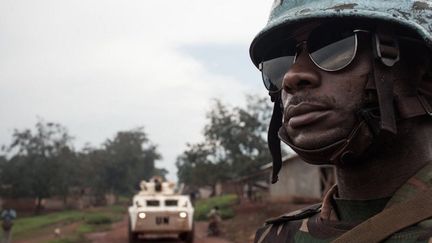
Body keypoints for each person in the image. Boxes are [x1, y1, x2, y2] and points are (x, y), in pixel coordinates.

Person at [249, 1, 432, 242]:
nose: (292, 77)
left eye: (334, 47)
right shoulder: (277, 237)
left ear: (425, 75)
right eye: (279, 64)